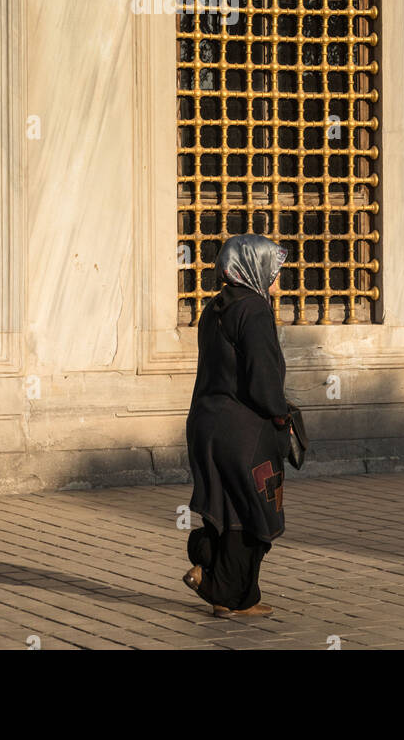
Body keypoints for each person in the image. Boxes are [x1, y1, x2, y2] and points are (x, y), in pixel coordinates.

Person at [183, 233, 290, 619]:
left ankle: (236, 595)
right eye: (274, 269)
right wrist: (281, 415)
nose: (277, 277)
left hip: (207, 425)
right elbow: (261, 377)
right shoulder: (255, 310)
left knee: (226, 510)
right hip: (245, 430)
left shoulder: (214, 309)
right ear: (254, 268)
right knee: (253, 514)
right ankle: (216, 584)